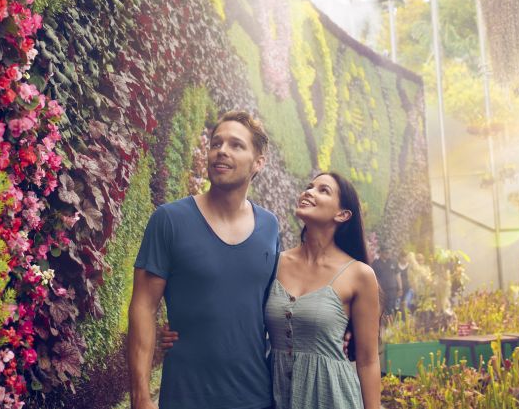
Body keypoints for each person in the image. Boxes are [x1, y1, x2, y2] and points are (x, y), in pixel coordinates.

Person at [127, 111, 279, 409]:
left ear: (258, 162)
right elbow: (143, 306)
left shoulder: (270, 226)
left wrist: (343, 328)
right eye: (216, 143)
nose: (221, 150)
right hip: (186, 397)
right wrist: (141, 397)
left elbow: (279, 301)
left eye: (236, 145)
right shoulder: (169, 220)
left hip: (256, 398)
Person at [265, 172, 380, 409]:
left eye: (323, 190)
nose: (309, 192)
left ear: (342, 214)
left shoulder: (359, 275)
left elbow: (368, 360)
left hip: (333, 397)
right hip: (273, 397)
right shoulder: (273, 264)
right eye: (309, 187)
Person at [371, 248, 401, 315]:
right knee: (382, 309)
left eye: (389, 252)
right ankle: (385, 323)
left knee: (392, 308)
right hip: (381, 290)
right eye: (386, 252)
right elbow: (373, 277)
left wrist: (400, 288)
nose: (388, 254)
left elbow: (398, 275)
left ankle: (391, 324)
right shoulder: (375, 263)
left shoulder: (393, 261)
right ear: (381, 252)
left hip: (392, 289)